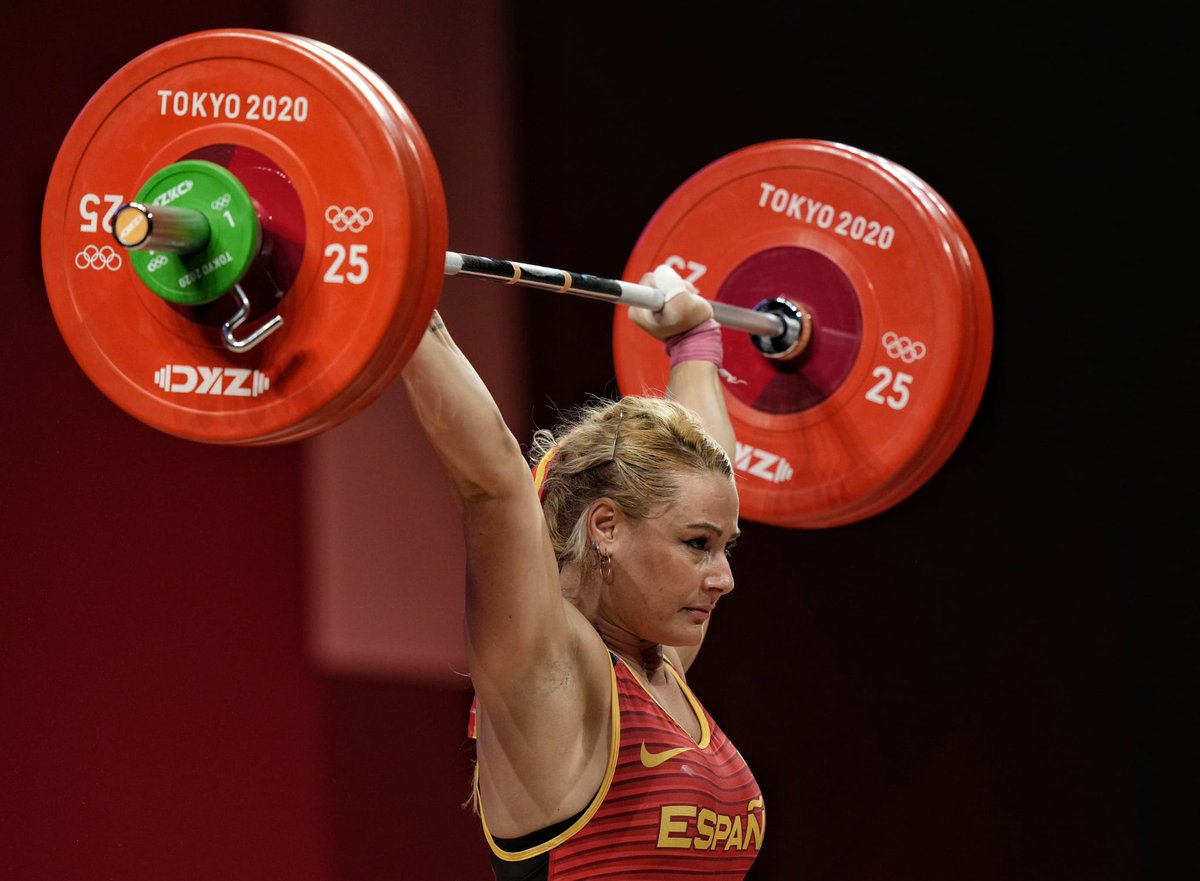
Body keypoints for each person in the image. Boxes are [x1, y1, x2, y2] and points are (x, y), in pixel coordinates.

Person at [400, 265, 764, 880]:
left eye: (725, 546)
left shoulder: (659, 662)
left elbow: (714, 471)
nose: (723, 577)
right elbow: (494, 485)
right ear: (606, 527)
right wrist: (400, 299)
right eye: (698, 545)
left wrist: (695, 343)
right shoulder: (549, 674)